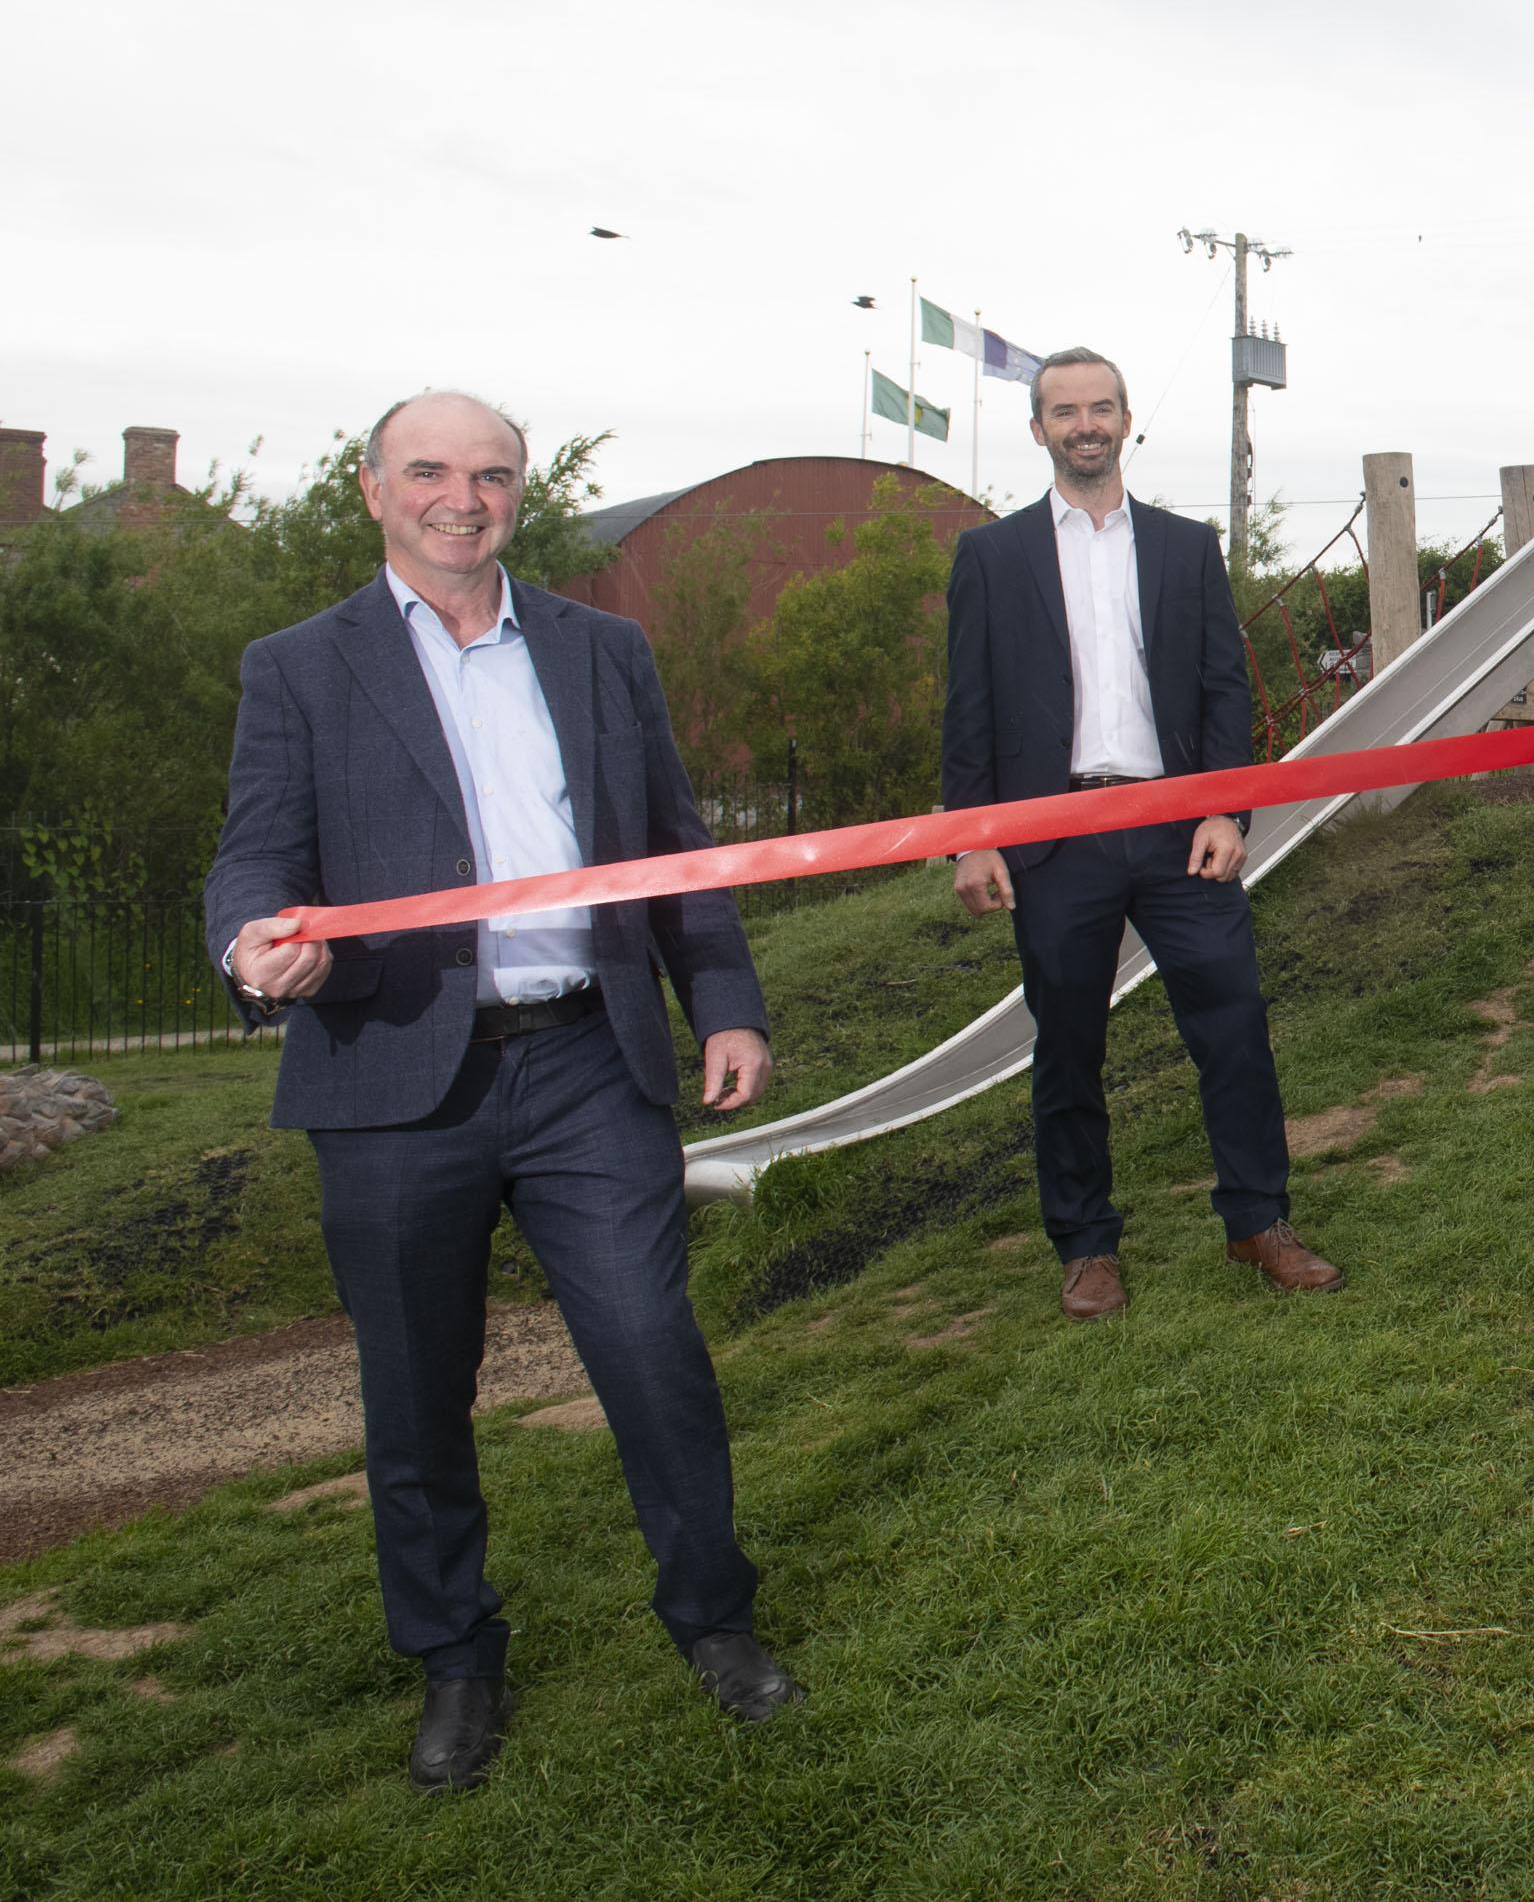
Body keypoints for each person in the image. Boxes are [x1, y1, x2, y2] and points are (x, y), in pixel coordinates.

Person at [205, 389, 796, 1794]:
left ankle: (714, 1617)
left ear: (519, 492)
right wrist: (248, 941)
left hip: (589, 1059)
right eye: (430, 470)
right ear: (372, 488)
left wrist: (724, 998)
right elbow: (253, 855)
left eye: (490, 474)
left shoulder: (601, 651)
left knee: (655, 1350)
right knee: (416, 1393)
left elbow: (673, 845)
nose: (460, 496)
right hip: (393, 1078)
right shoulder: (297, 666)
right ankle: (456, 1658)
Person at [941, 347, 1340, 1316]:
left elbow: (1221, 688)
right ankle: (1086, 1244)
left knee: (1235, 1023)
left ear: (1126, 421)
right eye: (1064, 410)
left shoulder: (1182, 546)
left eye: (1101, 406)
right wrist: (973, 836)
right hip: (1055, 836)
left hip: (1177, 831)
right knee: (1068, 1047)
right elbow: (970, 706)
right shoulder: (990, 558)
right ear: (1038, 429)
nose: (1085, 423)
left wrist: (1223, 807)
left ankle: (1259, 1220)